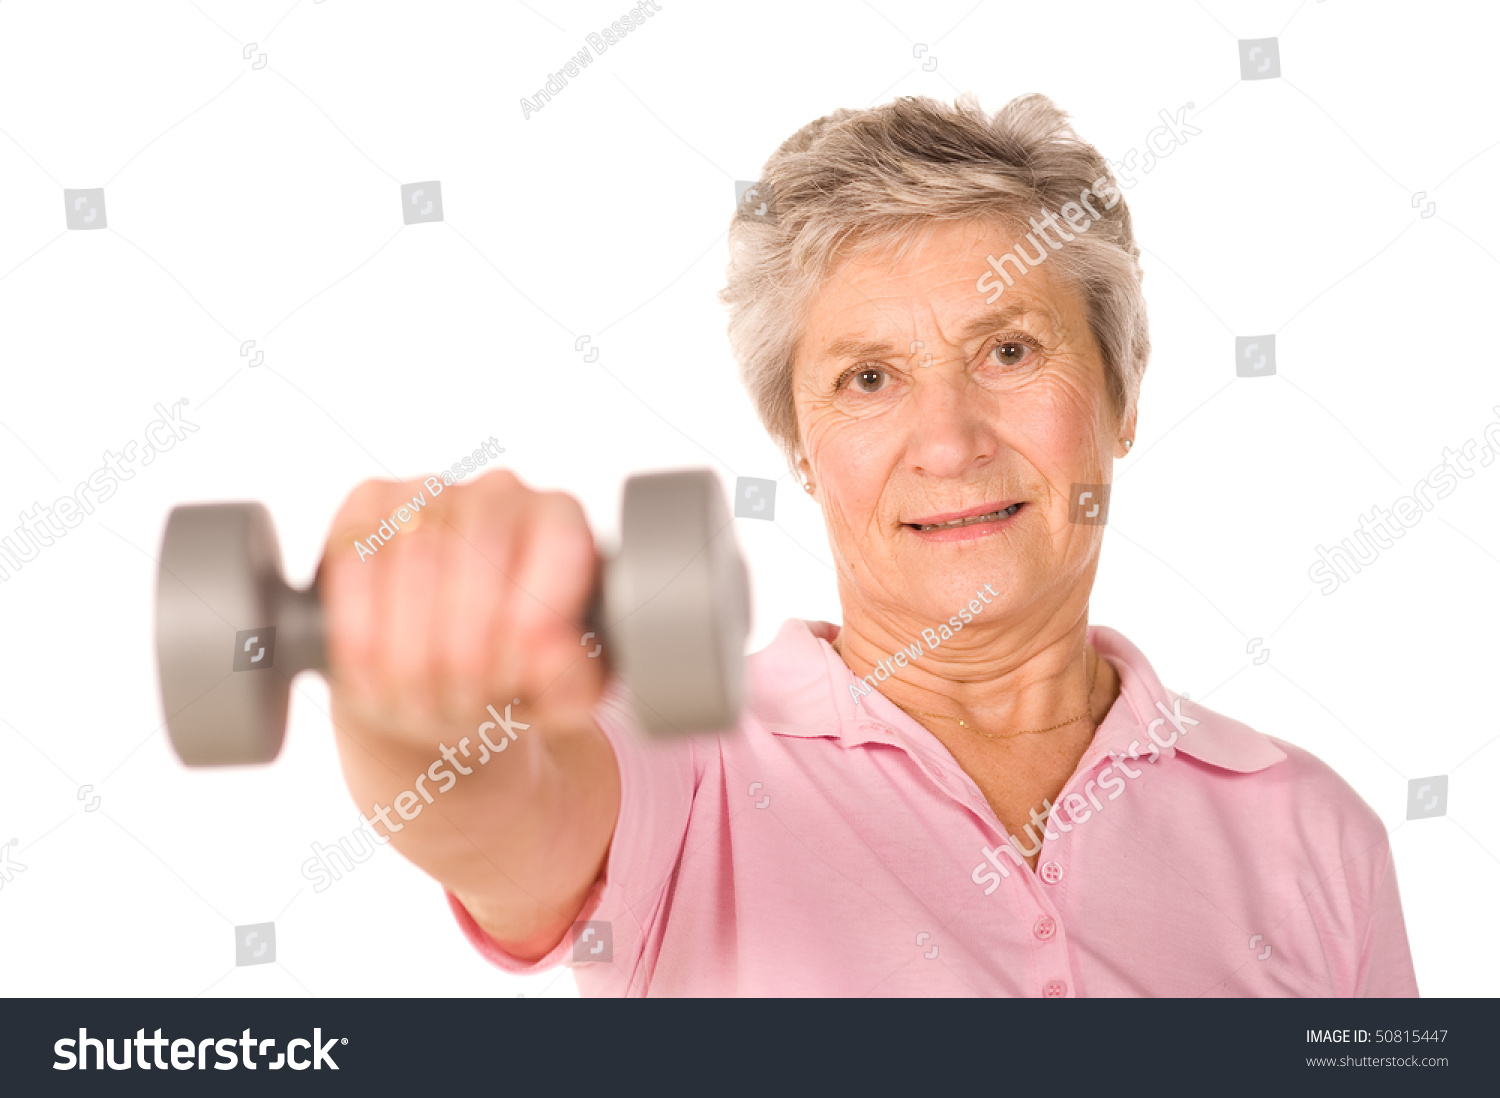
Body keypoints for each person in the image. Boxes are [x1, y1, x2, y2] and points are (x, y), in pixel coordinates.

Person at [320, 92, 1418, 996]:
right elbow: (490, 809)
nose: (949, 442)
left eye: (1009, 351)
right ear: (801, 446)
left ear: (1122, 398)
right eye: (870, 379)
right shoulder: (686, 758)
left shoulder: (1314, 831)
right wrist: (403, 682)